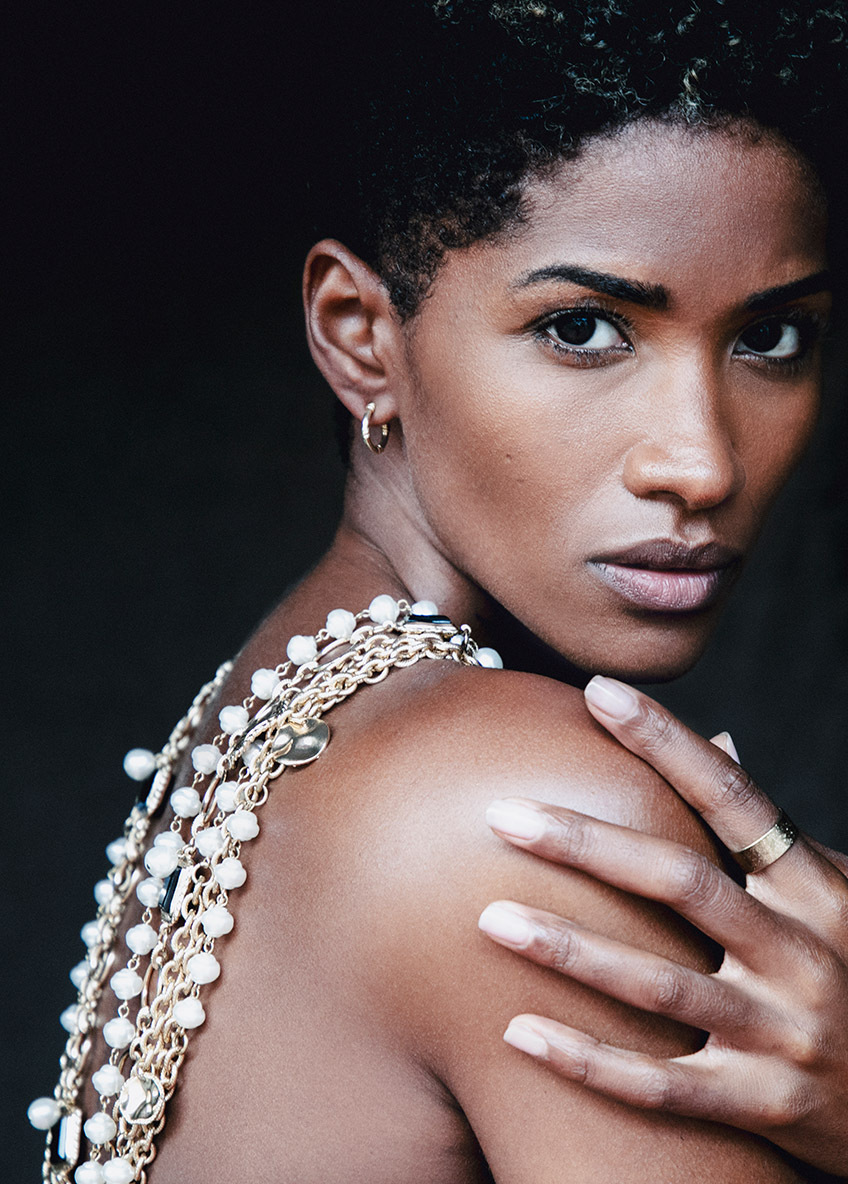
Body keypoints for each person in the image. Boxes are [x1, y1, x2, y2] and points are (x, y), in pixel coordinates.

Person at [29, 1, 848, 1180]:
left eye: (770, 338)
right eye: (581, 327)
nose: (701, 463)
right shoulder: (528, 813)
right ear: (360, 336)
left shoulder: (284, 709)